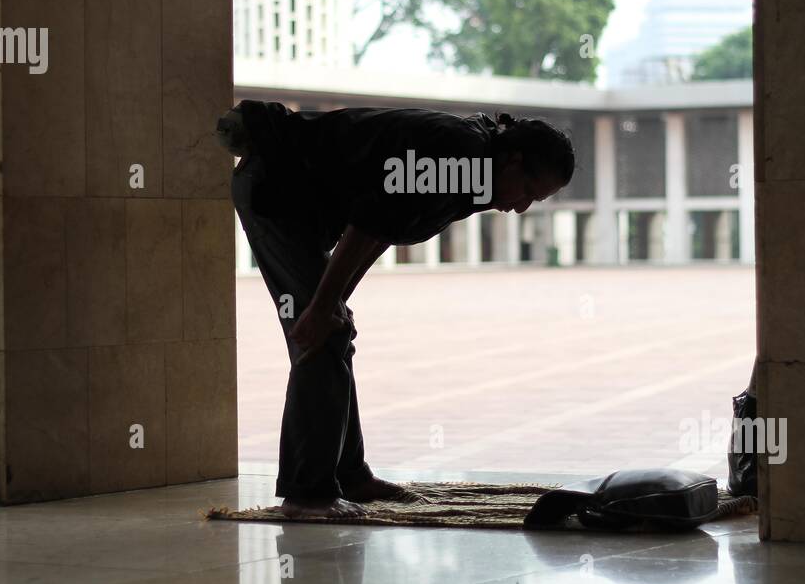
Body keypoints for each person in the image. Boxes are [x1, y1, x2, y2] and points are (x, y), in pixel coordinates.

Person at [218, 100, 575, 517]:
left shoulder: (479, 175)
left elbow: (386, 229)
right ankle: (306, 495)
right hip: (276, 189)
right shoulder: (458, 160)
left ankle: (351, 476)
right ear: (513, 160)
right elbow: (369, 221)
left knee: (334, 329)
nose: (521, 207)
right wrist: (320, 307)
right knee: (324, 338)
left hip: (300, 200)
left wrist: (333, 302)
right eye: (529, 191)